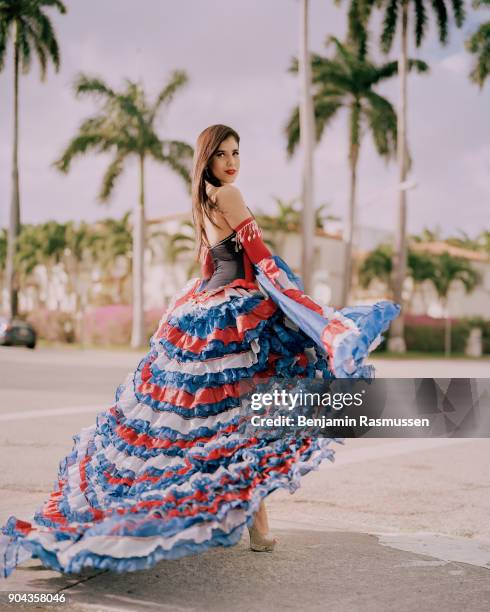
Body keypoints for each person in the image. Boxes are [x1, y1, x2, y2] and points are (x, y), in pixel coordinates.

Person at [0, 124, 400, 578]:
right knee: (245, 422)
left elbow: (211, 264)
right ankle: (257, 530)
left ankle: (255, 527)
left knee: (226, 424)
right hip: (231, 317)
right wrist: (309, 310)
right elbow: (259, 255)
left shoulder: (204, 202)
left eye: (236, 152)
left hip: (203, 314)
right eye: (222, 154)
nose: (232, 162)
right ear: (206, 160)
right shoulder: (229, 195)